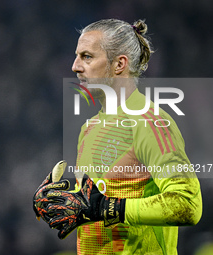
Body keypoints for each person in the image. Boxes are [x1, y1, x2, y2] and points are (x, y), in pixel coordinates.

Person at [33, 19, 202, 255]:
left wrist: (110, 208)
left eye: (87, 56)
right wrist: (60, 201)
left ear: (119, 64)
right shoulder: (89, 128)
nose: (75, 66)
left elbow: (187, 205)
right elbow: (99, 200)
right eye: (77, 56)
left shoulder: (150, 123)